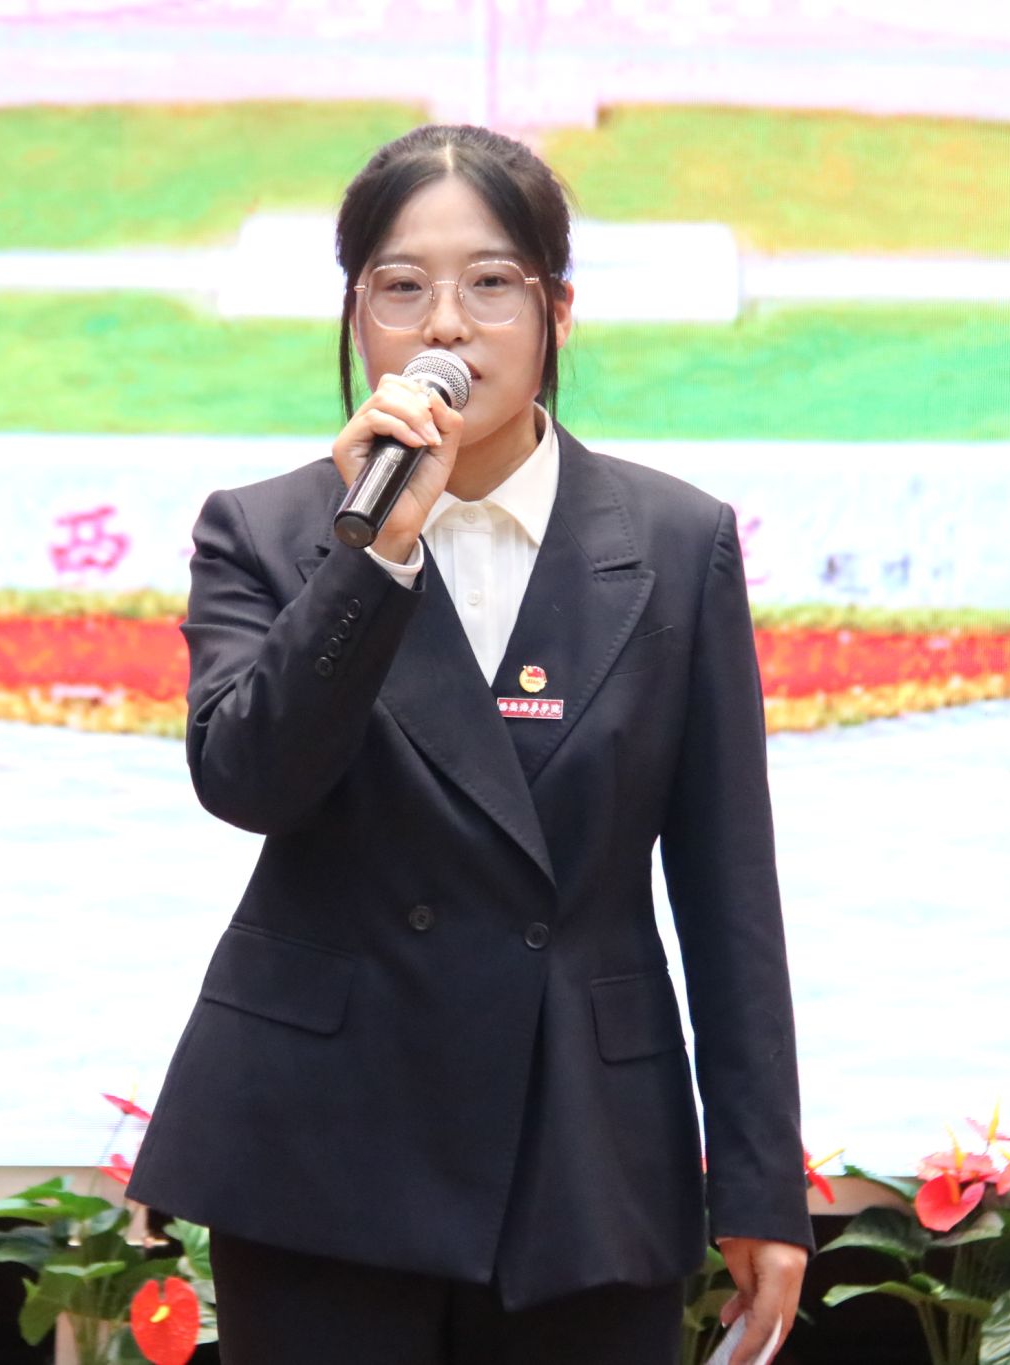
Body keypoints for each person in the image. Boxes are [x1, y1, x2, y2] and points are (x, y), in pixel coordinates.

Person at [126, 124, 812, 1365]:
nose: (446, 325)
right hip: (318, 1149)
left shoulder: (674, 543)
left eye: (491, 283)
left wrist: (760, 1183)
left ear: (556, 311)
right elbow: (246, 780)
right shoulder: (266, 532)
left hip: (584, 1152)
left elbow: (727, 889)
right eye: (401, 287)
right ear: (356, 319)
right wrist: (372, 556)